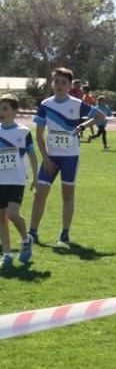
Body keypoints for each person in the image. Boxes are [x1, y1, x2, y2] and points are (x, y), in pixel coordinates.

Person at [29, 67, 104, 245]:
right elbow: (39, 136)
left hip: (71, 157)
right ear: (52, 83)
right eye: (56, 82)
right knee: (40, 194)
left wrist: (83, 126)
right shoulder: (46, 105)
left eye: (64, 82)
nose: (59, 85)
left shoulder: (77, 104)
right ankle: (32, 232)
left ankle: (64, 233)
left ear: (70, 85)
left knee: (67, 195)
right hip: (51, 157)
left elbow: (100, 116)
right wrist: (46, 157)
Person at [0, 94, 38, 267]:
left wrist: (36, 177)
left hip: (16, 179)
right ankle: (7, 254)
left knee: (13, 214)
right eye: (0, 108)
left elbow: (32, 155)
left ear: (15, 111)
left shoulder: (23, 132)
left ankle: (25, 239)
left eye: (5, 108)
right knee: (1, 217)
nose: (1, 111)